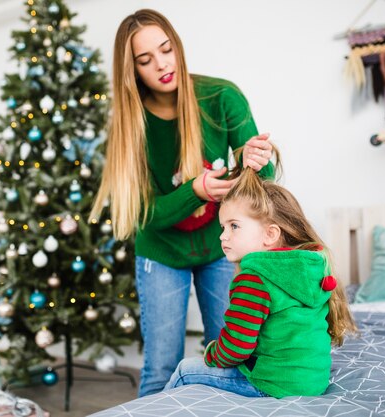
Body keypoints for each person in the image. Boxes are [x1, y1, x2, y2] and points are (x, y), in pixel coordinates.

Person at [90, 9, 274, 397]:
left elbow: (262, 180)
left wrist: (259, 161)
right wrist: (196, 190)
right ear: (132, 70)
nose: (161, 65)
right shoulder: (130, 125)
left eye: (166, 49)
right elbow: (143, 214)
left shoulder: (221, 96)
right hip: (160, 252)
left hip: (220, 247)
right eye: (145, 60)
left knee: (234, 356)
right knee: (160, 368)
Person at [163, 150, 357, 398]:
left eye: (234, 226)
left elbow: (235, 349)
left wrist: (212, 352)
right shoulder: (313, 265)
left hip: (272, 384)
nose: (223, 236)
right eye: (223, 227)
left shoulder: (254, 279)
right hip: (312, 382)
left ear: (270, 235)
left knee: (184, 369)